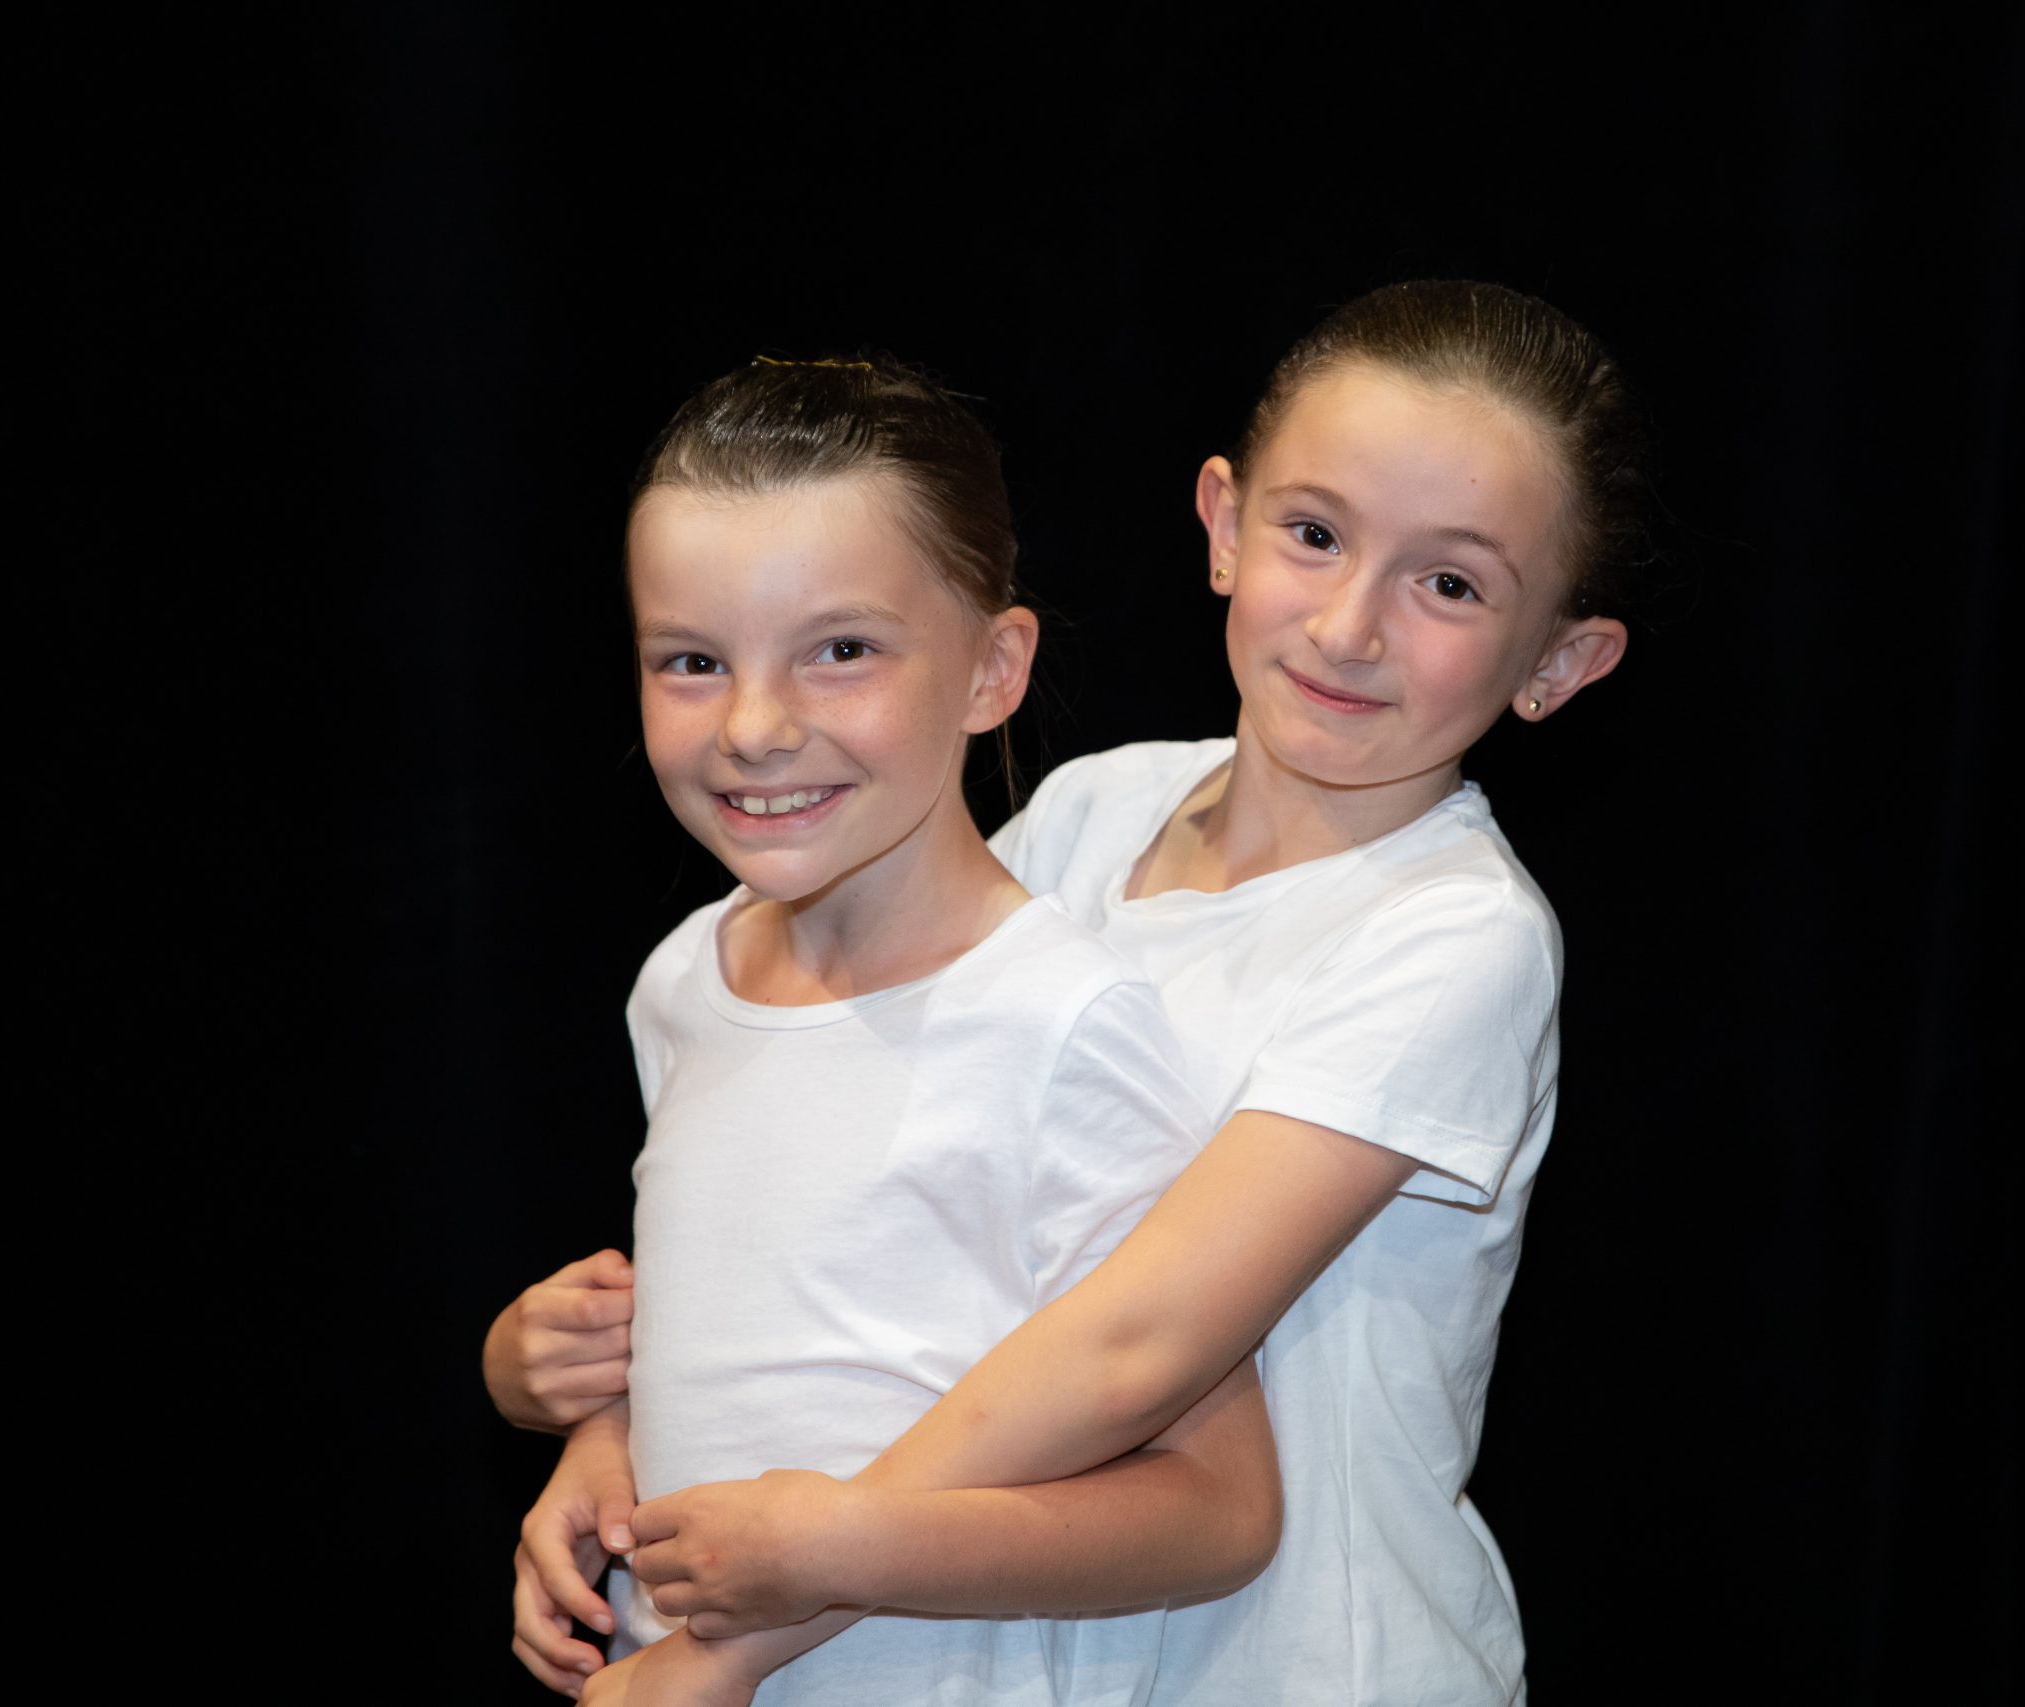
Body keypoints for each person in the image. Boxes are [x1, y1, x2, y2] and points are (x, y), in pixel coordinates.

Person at [506, 279, 1645, 1704]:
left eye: (1451, 585)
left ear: (1559, 662)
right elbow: (867, 1244)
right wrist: (616, 1430)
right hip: (1042, 1646)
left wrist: (737, 1637)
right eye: (1314, 534)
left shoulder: (1456, 934)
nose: (1350, 625)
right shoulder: (1095, 812)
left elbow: (1129, 1346)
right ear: (1223, 524)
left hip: (1303, 1666)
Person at [508, 354, 1284, 1705]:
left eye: (842, 651)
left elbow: (1218, 1511)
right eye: (692, 661)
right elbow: (776, 1345)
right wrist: (600, 1434)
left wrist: (833, 1555)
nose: (755, 727)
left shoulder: (1060, 1022)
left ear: (992, 670)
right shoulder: (681, 983)